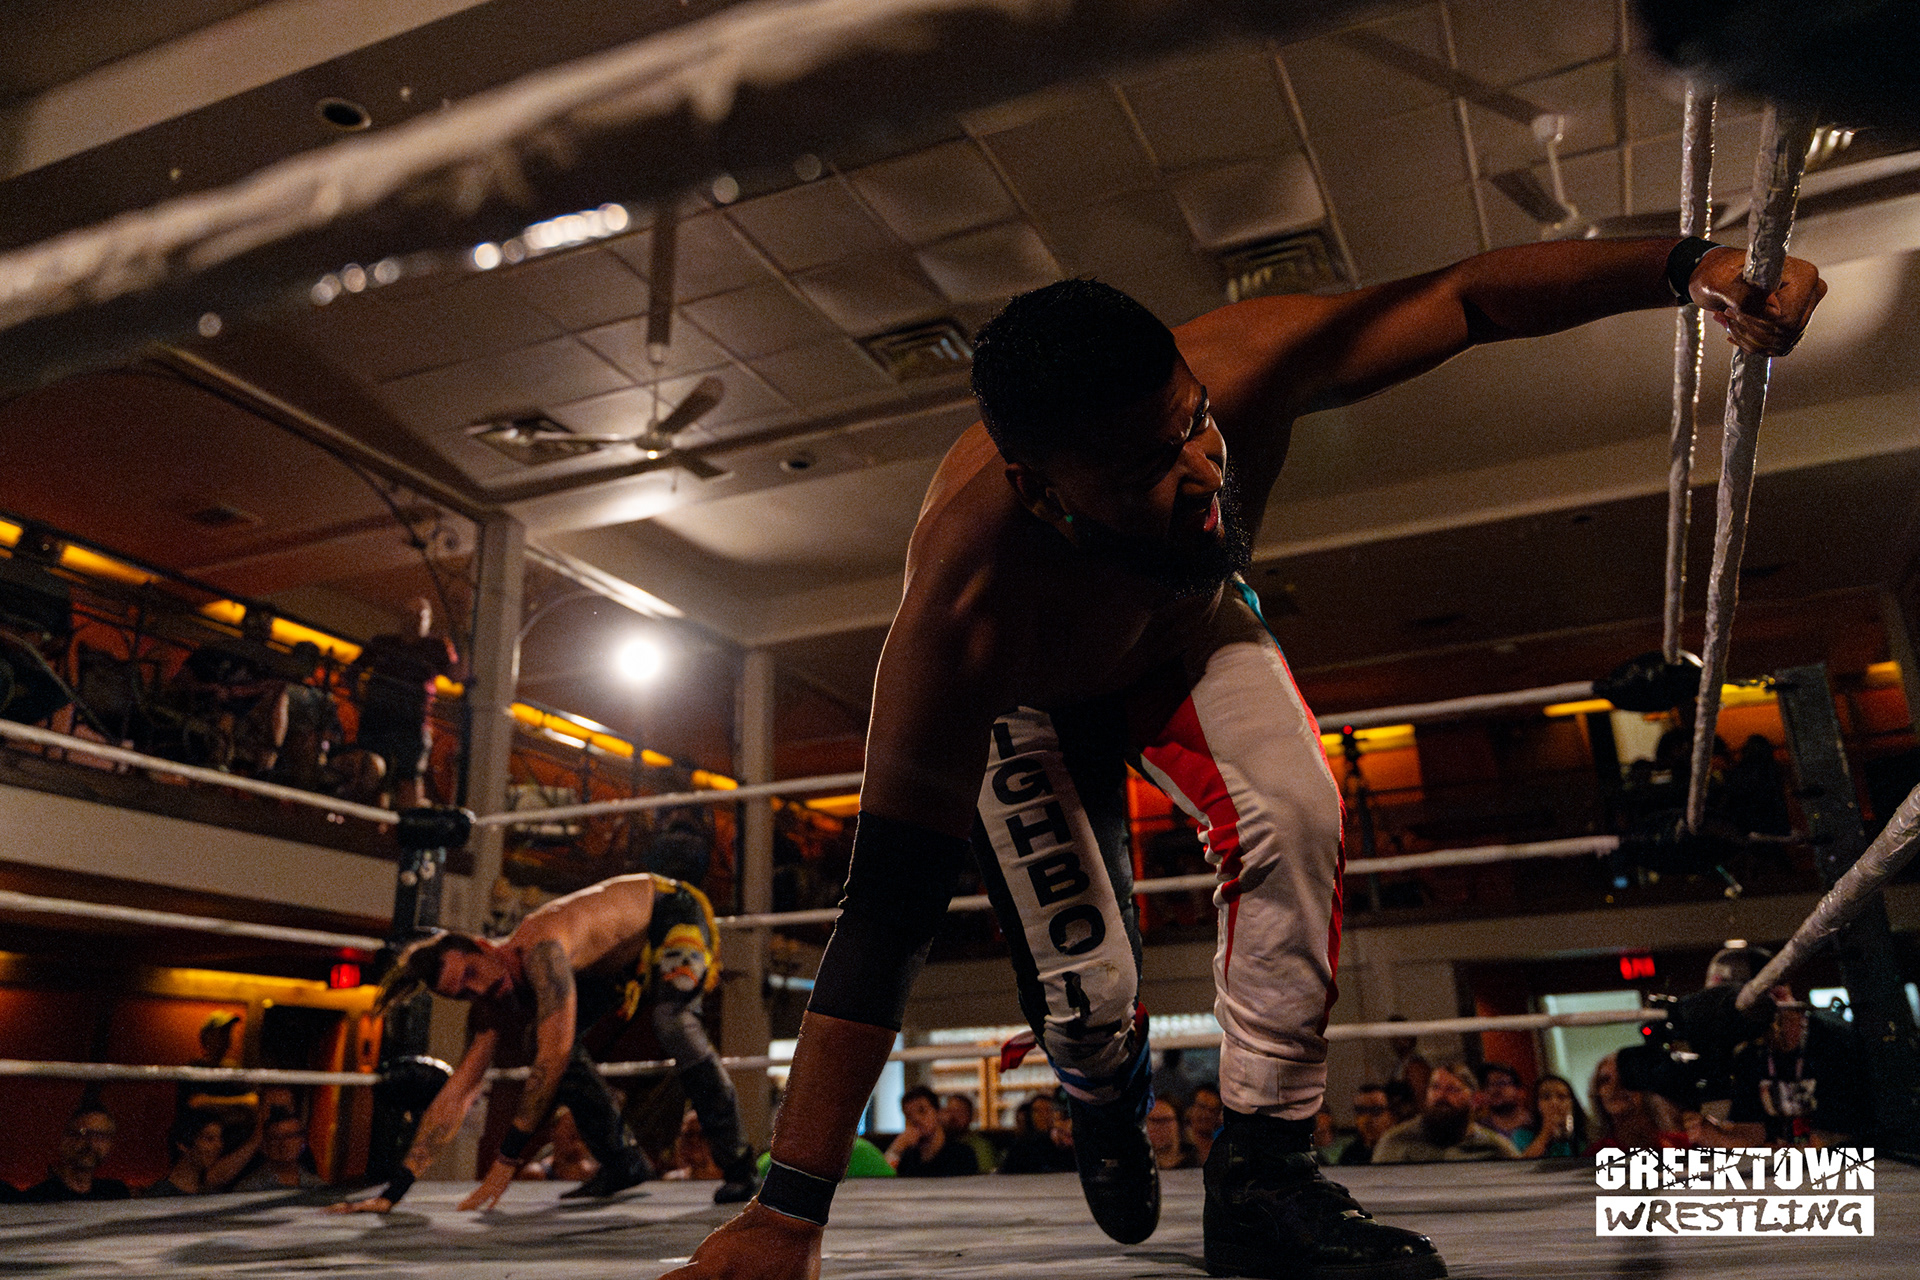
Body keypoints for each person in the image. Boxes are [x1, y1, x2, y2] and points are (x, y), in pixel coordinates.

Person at [664, 236, 1823, 1280]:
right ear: (1042, 491)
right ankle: (1099, 1081)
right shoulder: (963, 614)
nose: (1205, 472)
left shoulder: (1248, 365)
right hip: (1028, 703)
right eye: (1146, 468)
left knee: (1297, 807)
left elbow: (1466, 294)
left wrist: (1688, 267)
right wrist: (788, 1213)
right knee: (1088, 998)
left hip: (1184, 633)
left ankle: (1265, 1171)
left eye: (1194, 424)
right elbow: (885, 913)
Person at [330, 873, 757, 1215]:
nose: (477, 990)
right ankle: (622, 1161)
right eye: (462, 993)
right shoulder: (495, 998)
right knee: (540, 1038)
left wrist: (506, 1160)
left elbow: (554, 1056)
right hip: (614, 967)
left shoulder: (542, 951)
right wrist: (395, 1190)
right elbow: (459, 1090)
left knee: (673, 1021)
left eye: (472, 973)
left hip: (670, 913)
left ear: (485, 946)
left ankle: (739, 1165)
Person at [347, 596, 456, 809]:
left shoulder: (435, 647)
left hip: (412, 724)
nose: (413, 620)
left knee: (409, 777)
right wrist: (358, 700)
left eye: (419, 616)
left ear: (429, 620)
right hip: (376, 719)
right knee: (372, 773)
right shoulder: (382, 643)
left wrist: (459, 638)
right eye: (409, 614)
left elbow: (458, 676)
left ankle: (407, 823)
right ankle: (372, 821)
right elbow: (353, 671)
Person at [1372, 1062, 1519, 1164]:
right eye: (1435, 1087)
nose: (1441, 1096)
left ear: (1475, 1100)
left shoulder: (1495, 1148)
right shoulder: (1396, 1142)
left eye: (1452, 1089)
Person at [20, 1105, 132, 1201]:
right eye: (84, 1133)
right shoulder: (37, 1198)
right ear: (65, 1140)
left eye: (100, 1136)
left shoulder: (115, 1193)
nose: (91, 1143)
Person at [146, 1107, 261, 1196]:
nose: (219, 1145)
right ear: (183, 1145)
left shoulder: (210, 1192)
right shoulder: (160, 1194)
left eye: (219, 1139)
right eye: (209, 1139)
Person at [886, 1085, 978, 1176]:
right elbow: (885, 1181)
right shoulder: (906, 1158)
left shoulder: (962, 1155)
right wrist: (895, 1150)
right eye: (908, 1116)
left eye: (922, 1111)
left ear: (938, 1113)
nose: (915, 1119)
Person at [1585, 1053, 1664, 1152]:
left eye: (1625, 1077)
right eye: (1605, 1080)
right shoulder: (1594, 1154)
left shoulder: (1677, 1144)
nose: (1614, 1086)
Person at [233, 1110, 326, 1191]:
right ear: (264, 1145)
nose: (284, 1143)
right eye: (276, 1137)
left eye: (291, 1136)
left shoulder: (317, 1186)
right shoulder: (249, 1188)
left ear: (302, 1141)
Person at [997, 1096, 1077, 1174]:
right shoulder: (1022, 1147)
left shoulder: (1064, 1145)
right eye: (1037, 1111)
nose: (1043, 1115)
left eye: (1047, 1110)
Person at [1520, 1075, 1587, 1158]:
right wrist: (1546, 1131)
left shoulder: (1586, 1131)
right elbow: (1524, 1162)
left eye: (1561, 1096)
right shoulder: (1523, 1135)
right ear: (1537, 1104)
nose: (1554, 1103)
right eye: (1546, 1097)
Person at [1474, 1063, 1535, 1150]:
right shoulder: (1479, 1130)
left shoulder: (1537, 1125)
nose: (1493, 1090)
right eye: (1488, 1085)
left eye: (1501, 1083)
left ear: (1520, 1092)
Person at [1335, 1084, 1395, 1167]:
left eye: (1375, 1110)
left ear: (1392, 1115)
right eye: (1360, 1111)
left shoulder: (1401, 1149)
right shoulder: (1350, 1154)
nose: (1366, 1119)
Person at [940, 1093, 999, 1173]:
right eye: (948, 1111)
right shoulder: (935, 1145)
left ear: (970, 1117)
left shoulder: (980, 1147)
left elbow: (985, 1175)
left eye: (959, 1112)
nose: (952, 1117)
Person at [1145, 1097, 1198, 1170]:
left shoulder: (1197, 1165)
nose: (1158, 1127)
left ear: (1179, 1124)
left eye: (1165, 1120)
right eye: (1153, 1120)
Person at [1183, 1084, 1222, 1168]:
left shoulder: (1222, 1149)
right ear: (1190, 1109)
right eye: (1202, 1107)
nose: (1207, 1115)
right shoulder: (1178, 1144)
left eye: (1212, 1110)